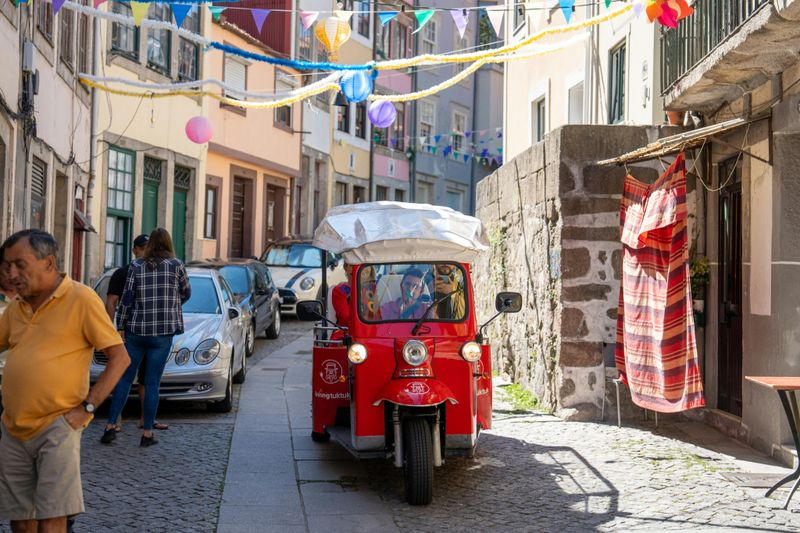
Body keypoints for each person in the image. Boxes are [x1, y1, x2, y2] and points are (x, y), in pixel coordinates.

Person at [0, 229, 130, 532]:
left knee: (53, 516)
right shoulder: (18, 306)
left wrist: (86, 409)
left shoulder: (81, 298)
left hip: (57, 426)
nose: (12, 273)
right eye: (7, 266)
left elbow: (120, 358)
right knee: (20, 519)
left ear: (48, 263)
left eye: (20, 264)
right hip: (13, 428)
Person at [102, 228, 191, 447]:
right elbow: (186, 292)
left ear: (150, 245)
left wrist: (120, 325)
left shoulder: (136, 267)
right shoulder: (176, 265)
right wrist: (170, 302)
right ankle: (147, 433)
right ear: (169, 244)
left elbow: (127, 299)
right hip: (162, 333)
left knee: (124, 378)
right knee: (152, 383)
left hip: (136, 331)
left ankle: (110, 426)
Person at [103, 234, 169, 434]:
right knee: (128, 376)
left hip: (137, 330)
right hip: (133, 332)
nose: (145, 251)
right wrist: (113, 330)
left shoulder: (158, 269)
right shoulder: (125, 272)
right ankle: (118, 421)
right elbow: (114, 301)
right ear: (135, 250)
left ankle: (144, 419)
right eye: (142, 248)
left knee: (144, 379)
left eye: (148, 247)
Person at [330, 264, 353, 341]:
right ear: (346, 267)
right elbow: (345, 317)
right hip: (346, 332)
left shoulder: (368, 289)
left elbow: (376, 315)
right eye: (352, 265)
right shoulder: (340, 290)